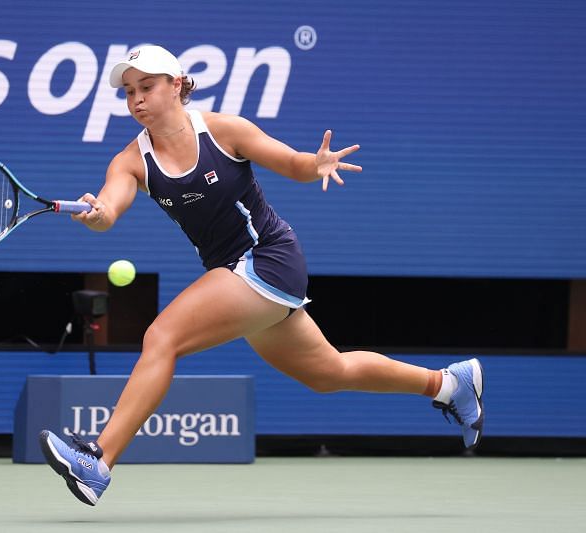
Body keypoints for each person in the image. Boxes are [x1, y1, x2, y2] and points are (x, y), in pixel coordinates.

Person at [38, 45, 484, 506]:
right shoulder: (131, 160)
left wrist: (317, 164)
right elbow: (111, 206)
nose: (137, 100)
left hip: (268, 257)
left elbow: (293, 163)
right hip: (234, 274)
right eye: (129, 92)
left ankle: (100, 460)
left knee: (162, 337)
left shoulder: (223, 131)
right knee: (328, 372)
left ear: (176, 84)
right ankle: (450, 384)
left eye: (147, 87)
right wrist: (98, 213)